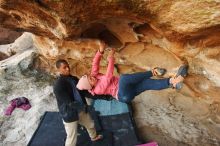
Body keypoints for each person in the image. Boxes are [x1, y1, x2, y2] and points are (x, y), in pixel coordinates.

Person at [76, 41, 188, 103]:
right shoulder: (98, 90)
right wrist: (111, 57)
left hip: (127, 88)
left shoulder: (94, 77)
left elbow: (95, 64)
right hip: (123, 95)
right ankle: (153, 72)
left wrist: (100, 51)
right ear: (90, 86)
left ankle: (173, 82)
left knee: (147, 84)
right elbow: (109, 75)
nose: (92, 77)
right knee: (124, 78)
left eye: (90, 76)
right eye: (90, 79)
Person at [53, 59, 106, 146]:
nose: (67, 69)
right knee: (71, 136)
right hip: (69, 113)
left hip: (81, 108)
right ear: (59, 70)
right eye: (64, 68)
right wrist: (85, 107)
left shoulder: (74, 79)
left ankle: (94, 137)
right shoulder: (58, 85)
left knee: (90, 124)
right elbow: (69, 103)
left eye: (68, 66)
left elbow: (85, 92)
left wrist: (104, 97)